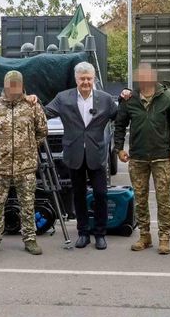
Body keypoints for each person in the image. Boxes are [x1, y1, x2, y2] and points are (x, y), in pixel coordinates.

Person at [45, 62, 119, 250]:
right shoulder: (63, 98)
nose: (85, 82)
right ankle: (83, 233)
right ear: (76, 79)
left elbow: (121, 116)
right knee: (78, 195)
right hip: (74, 153)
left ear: (93, 79)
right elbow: (44, 112)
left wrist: (126, 96)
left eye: (89, 78)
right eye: (82, 78)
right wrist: (31, 100)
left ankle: (100, 234)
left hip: (97, 153)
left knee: (101, 194)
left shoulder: (106, 99)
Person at [114, 62, 170, 255]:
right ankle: (144, 236)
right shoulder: (129, 99)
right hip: (137, 158)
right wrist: (119, 149)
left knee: (163, 199)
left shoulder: (168, 98)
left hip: (161, 158)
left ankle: (164, 237)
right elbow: (119, 125)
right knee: (140, 199)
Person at [0, 70, 48, 256]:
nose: (14, 87)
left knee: (27, 205)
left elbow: (42, 130)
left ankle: (30, 239)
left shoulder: (32, 107)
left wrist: (30, 147)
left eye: (17, 84)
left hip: (25, 167)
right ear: (5, 85)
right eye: (11, 84)